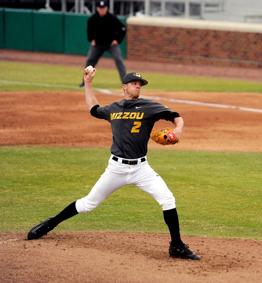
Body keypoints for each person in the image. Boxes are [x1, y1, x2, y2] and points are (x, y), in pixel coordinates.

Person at [27, 66, 201, 261]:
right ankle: (50, 223)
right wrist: (88, 83)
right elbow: (93, 109)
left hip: (141, 169)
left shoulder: (150, 106)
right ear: (124, 87)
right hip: (116, 169)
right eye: (134, 83)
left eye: (140, 84)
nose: (138, 86)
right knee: (87, 204)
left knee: (167, 199)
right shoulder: (113, 108)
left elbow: (176, 116)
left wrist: (178, 130)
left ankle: (176, 246)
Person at [80, 0, 126, 87]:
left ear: (106, 8)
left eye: (103, 8)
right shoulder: (92, 19)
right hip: (97, 45)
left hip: (111, 45)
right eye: (100, 8)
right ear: (97, 8)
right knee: (90, 60)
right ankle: (84, 82)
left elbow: (122, 29)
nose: (102, 10)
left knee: (119, 60)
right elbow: (89, 31)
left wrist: (117, 40)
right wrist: (92, 40)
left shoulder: (112, 18)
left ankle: (125, 83)